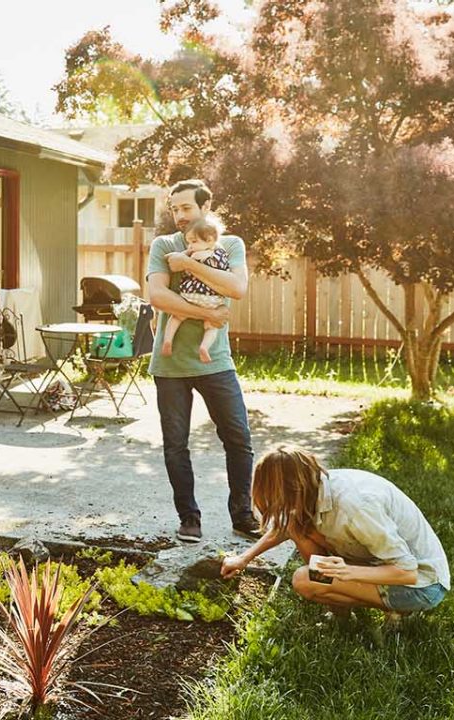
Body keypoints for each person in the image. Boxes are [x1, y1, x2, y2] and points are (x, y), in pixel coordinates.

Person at [146, 179, 260, 543]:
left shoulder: (230, 244)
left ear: (205, 206)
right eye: (174, 208)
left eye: (186, 208)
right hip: (171, 366)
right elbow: (158, 296)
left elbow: (237, 289)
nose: (179, 216)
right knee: (176, 444)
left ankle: (243, 513)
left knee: (239, 439)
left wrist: (190, 266)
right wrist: (208, 314)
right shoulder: (163, 245)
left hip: (216, 362)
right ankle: (189, 517)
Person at [221, 445, 450, 615]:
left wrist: (347, 572)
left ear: (294, 490)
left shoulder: (356, 506)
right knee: (297, 526)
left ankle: (394, 611)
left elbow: (406, 571)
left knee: (304, 579)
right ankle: (340, 612)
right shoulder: (316, 485)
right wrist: (244, 558)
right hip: (381, 564)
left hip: (421, 586)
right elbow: (284, 527)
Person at [160, 216, 231, 363]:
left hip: (190, 295)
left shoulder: (198, 254)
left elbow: (180, 261)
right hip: (212, 300)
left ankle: (167, 340)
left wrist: (181, 255)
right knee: (212, 327)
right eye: (188, 242)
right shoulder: (220, 253)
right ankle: (204, 347)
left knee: (176, 316)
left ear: (210, 240)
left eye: (194, 241)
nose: (190, 246)